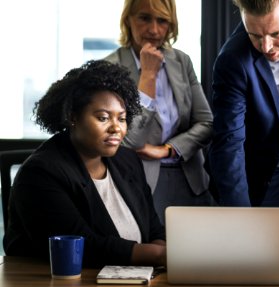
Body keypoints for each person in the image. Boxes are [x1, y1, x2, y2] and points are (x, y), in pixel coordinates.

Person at [3, 60, 166, 268]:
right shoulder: (41, 172)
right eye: (103, 118)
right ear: (73, 117)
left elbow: (153, 229)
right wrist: (158, 256)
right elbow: (82, 246)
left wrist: (163, 258)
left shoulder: (128, 161)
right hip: (55, 286)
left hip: (131, 280)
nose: (116, 128)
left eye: (122, 118)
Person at [206, 0, 279, 258]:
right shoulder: (232, 60)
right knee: (257, 262)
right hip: (256, 179)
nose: (266, 47)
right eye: (255, 35)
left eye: (276, 34)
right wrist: (241, 221)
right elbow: (228, 144)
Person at [105, 0, 215, 225]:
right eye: (144, 18)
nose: (154, 30)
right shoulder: (110, 69)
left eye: (162, 20)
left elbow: (206, 123)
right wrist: (148, 76)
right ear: (128, 20)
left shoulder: (181, 61)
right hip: (142, 182)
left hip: (191, 180)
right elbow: (129, 141)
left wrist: (167, 150)